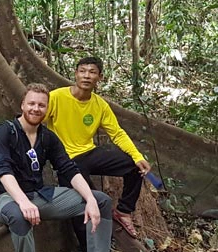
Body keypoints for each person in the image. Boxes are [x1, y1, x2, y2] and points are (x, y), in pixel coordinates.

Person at [0, 83, 113, 252]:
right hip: (10, 198)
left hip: (42, 196)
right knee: (18, 215)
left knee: (102, 201)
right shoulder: (5, 131)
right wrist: (23, 201)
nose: (36, 109)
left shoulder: (48, 137)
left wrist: (91, 199)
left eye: (41, 105)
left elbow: (68, 169)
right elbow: (2, 170)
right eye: (32, 104)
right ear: (23, 105)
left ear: (47, 109)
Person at [46, 56, 152, 242]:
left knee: (134, 166)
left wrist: (137, 156)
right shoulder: (56, 97)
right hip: (66, 159)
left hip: (89, 153)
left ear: (100, 77)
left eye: (92, 72)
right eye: (82, 71)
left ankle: (124, 211)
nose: (87, 76)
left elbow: (117, 133)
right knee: (81, 203)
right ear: (76, 74)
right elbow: (36, 122)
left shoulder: (100, 105)